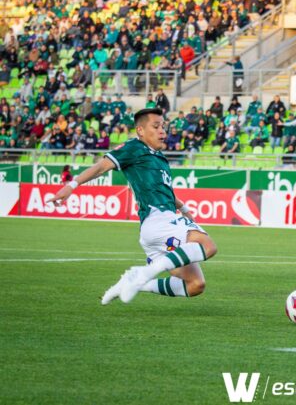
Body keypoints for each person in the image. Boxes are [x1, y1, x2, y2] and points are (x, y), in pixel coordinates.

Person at [49, 108, 217, 305]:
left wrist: (186, 210)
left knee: (195, 284)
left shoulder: (160, 158)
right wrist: (71, 185)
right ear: (140, 131)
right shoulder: (134, 148)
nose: (162, 131)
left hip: (156, 230)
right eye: (156, 126)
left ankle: (137, 282)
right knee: (208, 246)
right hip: (159, 219)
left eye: (163, 126)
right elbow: (101, 166)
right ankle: (143, 273)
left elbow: (166, 191)